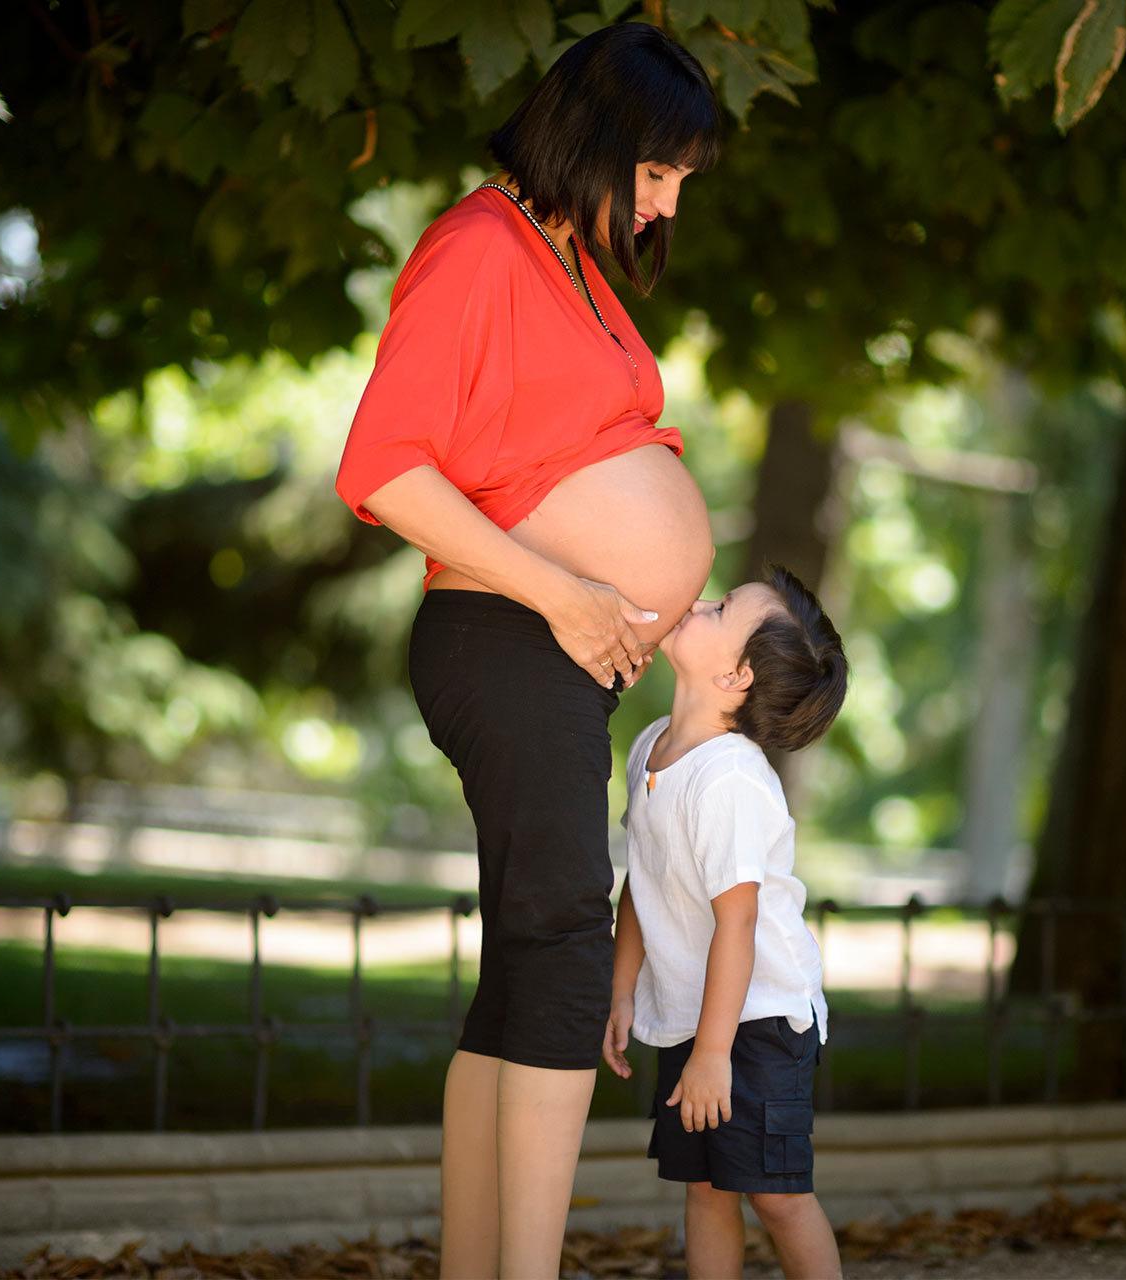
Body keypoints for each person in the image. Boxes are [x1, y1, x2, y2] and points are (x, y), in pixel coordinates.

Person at [332, 22, 722, 1278]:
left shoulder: (568, 260)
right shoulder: (475, 246)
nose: (664, 204)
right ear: (599, 138)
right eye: (656, 172)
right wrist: (565, 591)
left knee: (520, 966)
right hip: (503, 633)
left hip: (553, 647)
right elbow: (384, 467)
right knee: (560, 939)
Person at [602, 567, 849, 1279]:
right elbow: (640, 882)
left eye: (719, 609)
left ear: (737, 676)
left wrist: (715, 1056)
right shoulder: (651, 746)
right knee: (706, 1189)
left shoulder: (731, 779)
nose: (699, 600)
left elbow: (736, 927)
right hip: (695, 1017)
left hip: (762, 1018)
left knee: (776, 1197)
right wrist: (623, 991)